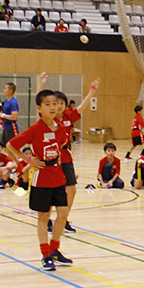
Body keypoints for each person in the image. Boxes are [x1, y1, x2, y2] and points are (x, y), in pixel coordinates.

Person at [6, 90, 72, 271]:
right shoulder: (35, 129)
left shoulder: (61, 127)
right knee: (44, 216)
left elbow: (60, 145)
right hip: (41, 176)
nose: (53, 107)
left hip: (57, 174)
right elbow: (10, 145)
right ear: (39, 108)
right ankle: (45, 255)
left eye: (55, 103)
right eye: (48, 104)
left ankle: (55, 249)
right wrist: (27, 159)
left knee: (63, 213)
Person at [38, 72, 100, 234]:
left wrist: (92, 91)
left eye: (62, 103)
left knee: (71, 189)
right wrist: (41, 84)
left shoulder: (68, 116)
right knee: (52, 191)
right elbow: (39, 101)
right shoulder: (48, 118)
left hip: (66, 157)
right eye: (56, 103)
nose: (59, 106)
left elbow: (83, 106)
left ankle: (63, 219)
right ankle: (48, 220)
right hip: (52, 159)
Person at [0, 82, 19, 147]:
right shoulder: (6, 101)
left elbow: (14, 117)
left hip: (11, 128)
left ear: (10, 91)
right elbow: (4, 114)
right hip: (6, 127)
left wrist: (3, 115)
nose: (4, 90)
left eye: (5, 88)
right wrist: (0, 117)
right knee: (4, 146)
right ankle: (12, 157)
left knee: (13, 147)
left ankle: (22, 157)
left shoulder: (13, 102)